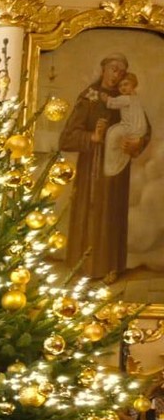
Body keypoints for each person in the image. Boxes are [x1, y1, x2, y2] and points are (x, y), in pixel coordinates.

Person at [59, 53, 152, 279]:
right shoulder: (89, 97)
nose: (116, 74)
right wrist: (92, 137)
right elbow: (67, 138)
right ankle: (85, 268)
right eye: (113, 69)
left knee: (113, 215)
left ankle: (111, 267)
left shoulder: (127, 96)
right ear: (103, 70)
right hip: (92, 168)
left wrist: (138, 142)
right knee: (92, 214)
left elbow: (144, 128)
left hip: (118, 170)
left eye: (121, 71)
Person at [104, 73, 147, 178]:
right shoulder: (135, 98)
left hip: (129, 127)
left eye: (126, 84)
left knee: (112, 133)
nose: (122, 88)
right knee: (113, 132)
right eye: (120, 86)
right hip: (137, 129)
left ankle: (112, 165)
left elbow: (113, 103)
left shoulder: (126, 98)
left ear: (133, 85)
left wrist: (106, 99)